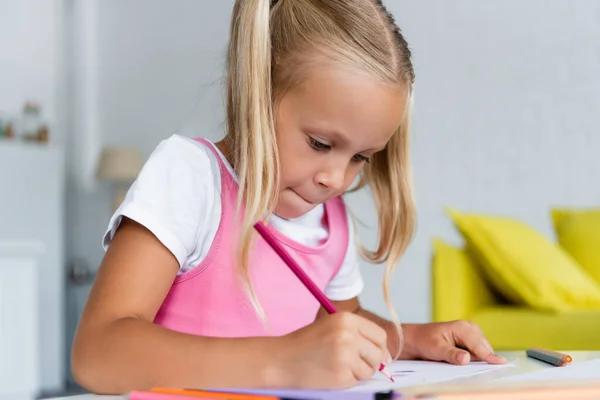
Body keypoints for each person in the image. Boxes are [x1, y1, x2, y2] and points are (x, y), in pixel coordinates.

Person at [71, 0, 505, 395]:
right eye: (319, 143)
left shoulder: (331, 220)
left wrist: (405, 338)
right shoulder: (191, 177)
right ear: (258, 90)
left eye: (360, 157)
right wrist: (281, 360)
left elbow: (337, 327)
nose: (336, 179)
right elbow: (97, 354)